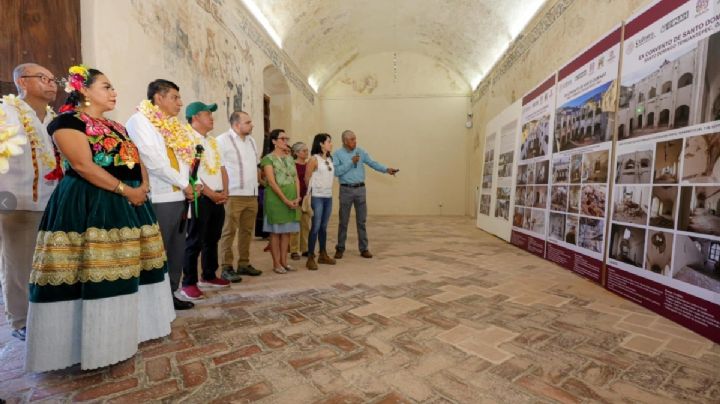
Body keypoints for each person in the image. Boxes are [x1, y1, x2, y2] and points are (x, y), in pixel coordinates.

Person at [25, 66, 174, 372]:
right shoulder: (67, 122)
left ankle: (135, 330)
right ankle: (94, 342)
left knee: (133, 267)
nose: (113, 92)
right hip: (91, 202)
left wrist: (142, 187)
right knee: (93, 269)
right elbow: (82, 165)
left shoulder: (118, 126)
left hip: (130, 202)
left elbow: (136, 159)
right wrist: (124, 189)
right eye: (106, 87)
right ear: (84, 90)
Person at [0, 63, 61, 341]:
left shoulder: (51, 118)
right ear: (23, 82)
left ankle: (46, 313)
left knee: (46, 264)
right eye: (43, 78)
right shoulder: (6, 113)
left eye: (53, 79)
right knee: (18, 266)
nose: (52, 83)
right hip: (16, 202)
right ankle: (20, 321)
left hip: (50, 202)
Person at [126, 79, 199, 310]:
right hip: (159, 198)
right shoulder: (140, 122)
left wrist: (189, 184)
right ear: (159, 98)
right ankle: (151, 302)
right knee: (156, 252)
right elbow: (152, 161)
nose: (180, 103)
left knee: (177, 250)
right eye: (175, 97)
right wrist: (183, 184)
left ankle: (170, 294)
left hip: (179, 197)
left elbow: (183, 158)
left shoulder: (173, 125)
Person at [180, 101, 231, 300]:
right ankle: (188, 282)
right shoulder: (186, 139)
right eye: (207, 114)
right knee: (194, 240)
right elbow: (191, 171)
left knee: (213, 238)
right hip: (200, 197)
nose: (211, 117)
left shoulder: (212, 141)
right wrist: (211, 193)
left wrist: (225, 191)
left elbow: (222, 168)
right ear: (195, 117)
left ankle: (209, 275)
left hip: (218, 196)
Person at [333, 130, 398, 259]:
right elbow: (336, 172)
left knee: (361, 221)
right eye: (352, 139)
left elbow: (373, 163)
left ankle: (364, 249)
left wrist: (386, 170)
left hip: (360, 190)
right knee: (343, 221)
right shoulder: (337, 154)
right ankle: (340, 248)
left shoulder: (361, 151)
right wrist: (351, 162)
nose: (355, 142)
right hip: (346, 190)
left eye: (355, 139)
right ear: (345, 141)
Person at [217, 111, 262, 282]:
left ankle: (244, 263)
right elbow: (220, 167)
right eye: (248, 122)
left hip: (251, 194)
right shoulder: (222, 140)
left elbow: (255, 165)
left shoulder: (251, 141)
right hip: (233, 194)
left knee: (247, 231)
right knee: (228, 231)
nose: (252, 125)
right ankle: (226, 267)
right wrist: (224, 191)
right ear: (237, 125)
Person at [261, 129, 300, 273]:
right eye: (282, 139)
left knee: (287, 232)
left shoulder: (289, 158)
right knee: (276, 232)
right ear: (274, 141)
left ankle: (284, 262)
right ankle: (276, 263)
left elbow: (295, 178)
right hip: (276, 199)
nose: (286, 141)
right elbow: (271, 182)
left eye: (286, 138)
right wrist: (285, 200)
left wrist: (297, 197)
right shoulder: (268, 159)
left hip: (291, 197)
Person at [304, 133, 337, 270]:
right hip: (317, 196)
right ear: (321, 144)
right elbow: (307, 178)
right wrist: (311, 193)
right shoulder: (314, 159)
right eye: (328, 141)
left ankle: (322, 254)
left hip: (328, 197)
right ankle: (310, 257)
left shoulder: (330, 158)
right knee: (315, 227)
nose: (331, 144)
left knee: (323, 227)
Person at [289, 142, 310, 261]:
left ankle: (305, 248)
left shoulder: (309, 165)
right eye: (303, 151)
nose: (306, 153)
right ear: (296, 153)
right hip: (296, 197)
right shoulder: (292, 165)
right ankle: (293, 250)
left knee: (306, 225)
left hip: (306, 197)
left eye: (307, 150)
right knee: (295, 225)